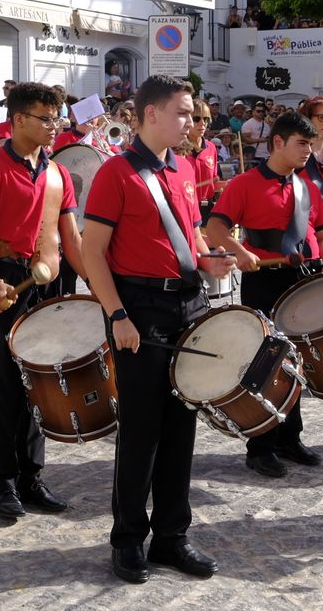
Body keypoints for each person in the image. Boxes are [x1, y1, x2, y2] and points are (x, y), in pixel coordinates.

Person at [81, 74, 234, 585]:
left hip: (186, 305)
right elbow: (91, 252)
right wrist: (117, 315)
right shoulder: (115, 174)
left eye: (191, 114)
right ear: (150, 114)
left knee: (181, 427)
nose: (191, 121)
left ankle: (172, 537)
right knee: (143, 431)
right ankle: (128, 539)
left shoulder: (186, 167)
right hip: (139, 311)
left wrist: (208, 261)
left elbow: (187, 232)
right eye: (183, 112)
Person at [0, 82, 86, 520]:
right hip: (10, 279)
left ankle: (32, 476)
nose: (54, 126)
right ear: (17, 120)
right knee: (7, 385)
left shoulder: (59, 174)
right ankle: (1, 479)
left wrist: (97, 283)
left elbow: (70, 239)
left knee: (43, 382)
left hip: (50, 281)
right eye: (45, 119)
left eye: (56, 119)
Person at [204, 111, 323, 479]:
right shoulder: (245, 184)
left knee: (299, 360)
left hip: (302, 278)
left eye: (311, 144)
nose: (308, 151)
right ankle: (260, 447)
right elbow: (214, 227)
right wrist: (239, 250)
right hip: (264, 280)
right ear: (278, 142)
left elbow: (322, 231)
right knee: (268, 362)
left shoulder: (306, 185)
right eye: (301, 143)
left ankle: (289, 438)